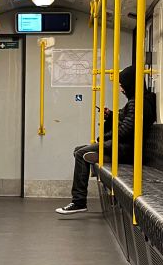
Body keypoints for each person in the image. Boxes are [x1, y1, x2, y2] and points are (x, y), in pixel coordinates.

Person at [56, 64, 157, 216]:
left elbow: (125, 131)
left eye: (122, 86)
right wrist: (110, 116)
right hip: (127, 146)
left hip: (128, 150)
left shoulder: (137, 103)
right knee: (80, 150)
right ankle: (99, 156)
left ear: (130, 84)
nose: (121, 90)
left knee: (81, 153)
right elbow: (124, 118)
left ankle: (79, 202)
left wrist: (103, 139)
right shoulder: (139, 101)